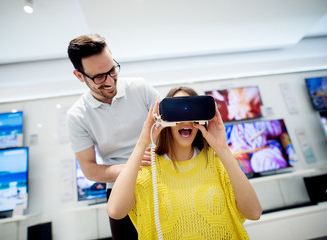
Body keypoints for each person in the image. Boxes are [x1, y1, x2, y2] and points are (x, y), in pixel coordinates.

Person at [107, 86, 262, 239]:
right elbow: (115, 211)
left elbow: (254, 213)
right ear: (165, 117)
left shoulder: (217, 161)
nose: (186, 117)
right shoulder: (148, 169)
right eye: (178, 110)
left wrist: (222, 148)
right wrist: (143, 142)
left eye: (192, 109)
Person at [66, 33, 159, 239]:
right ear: (79, 76)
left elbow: (169, 127)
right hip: (120, 189)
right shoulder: (77, 116)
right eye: (99, 77)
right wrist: (130, 167)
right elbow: (89, 169)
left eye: (112, 70)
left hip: (160, 177)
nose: (109, 81)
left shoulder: (140, 88)